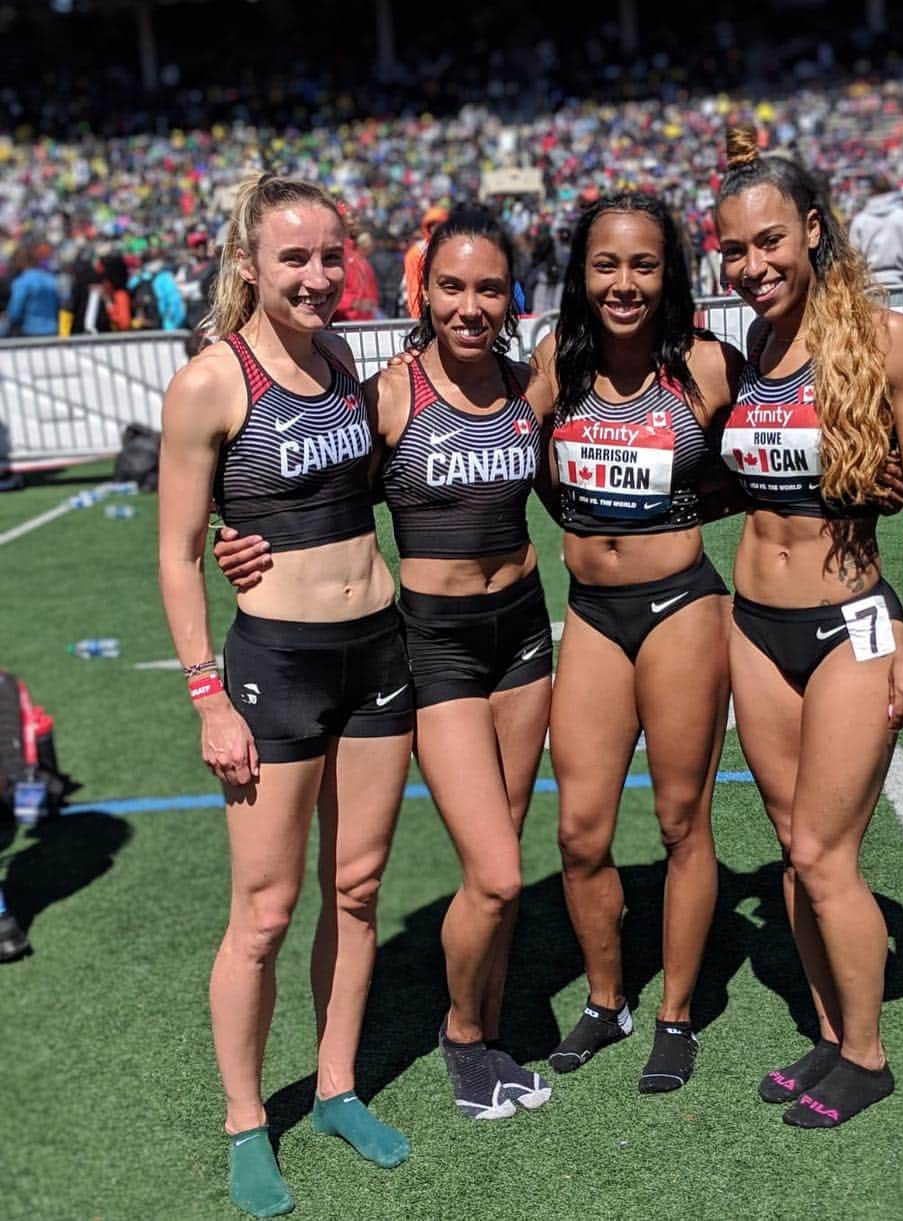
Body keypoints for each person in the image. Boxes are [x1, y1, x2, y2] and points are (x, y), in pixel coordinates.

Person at [214, 205, 556, 1123]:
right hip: (432, 645)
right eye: (452, 286)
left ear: (512, 295)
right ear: (423, 292)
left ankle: (484, 1025)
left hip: (526, 635)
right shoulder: (387, 394)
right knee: (495, 872)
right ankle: (460, 1036)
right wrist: (235, 541)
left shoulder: (536, 383)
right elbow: (309, 491)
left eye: (489, 287)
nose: (470, 304)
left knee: (506, 855)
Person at [157, 174, 413, 1219]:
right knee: (262, 915)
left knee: (355, 893)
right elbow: (177, 557)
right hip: (276, 668)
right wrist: (208, 698)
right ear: (250, 264)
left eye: (328, 257)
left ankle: (340, 1087)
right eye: (293, 258)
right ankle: (245, 1122)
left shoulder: (345, 359)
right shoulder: (211, 383)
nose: (315, 276)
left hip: (379, 657)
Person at [714, 126, 903, 1128]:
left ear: (813, 228)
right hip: (754, 625)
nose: (754, 266)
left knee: (822, 854)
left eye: (770, 241)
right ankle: (827, 1033)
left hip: (855, 625)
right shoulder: (749, 349)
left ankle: (868, 1052)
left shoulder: (885, 340)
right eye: (733, 250)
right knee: (785, 842)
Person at [528, 193, 741, 1093]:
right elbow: (516, 462)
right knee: (580, 830)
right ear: (582, 273)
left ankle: (677, 1011)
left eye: (644, 265)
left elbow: (765, 462)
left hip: (682, 609)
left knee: (680, 818)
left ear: (671, 273)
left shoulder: (706, 365)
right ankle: (607, 1000)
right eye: (606, 265)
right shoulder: (553, 361)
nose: (624, 283)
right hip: (592, 614)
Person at [847, 175, 903, 285]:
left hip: (870, 284)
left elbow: (854, 256)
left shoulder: (860, 220)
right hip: (900, 282)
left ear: (871, 192)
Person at [0, 244, 59, 337]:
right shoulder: (51, 279)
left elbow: (15, 313)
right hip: (52, 329)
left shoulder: (21, 282)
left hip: (30, 331)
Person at [403, 205, 449, 318]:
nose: (435, 228)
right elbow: (414, 287)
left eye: (439, 225)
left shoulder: (457, 248)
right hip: (428, 310)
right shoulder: (416, 253)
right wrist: (417, 317)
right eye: (432, 225)